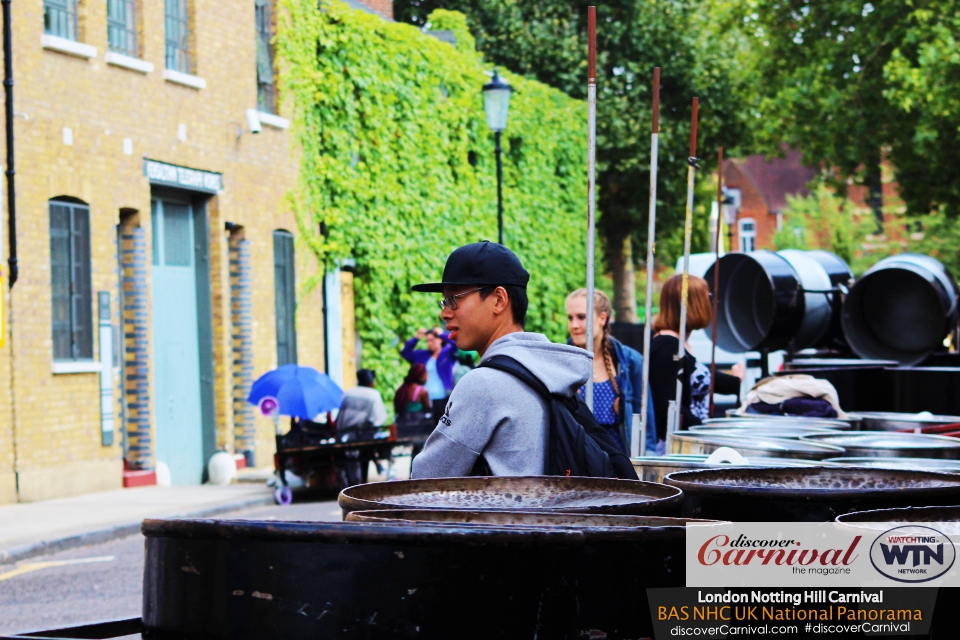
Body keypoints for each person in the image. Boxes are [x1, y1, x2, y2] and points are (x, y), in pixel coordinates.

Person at [409, 241, 594, 478]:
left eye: (454, 298)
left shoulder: (483, 384)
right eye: (444, 301)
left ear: (498, 300)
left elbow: (426, 480)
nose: (444, 312)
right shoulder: (549, 371)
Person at [649, 274, 744, 452]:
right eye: (707, 297)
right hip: (677, 448)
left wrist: (734, 381)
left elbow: (697, 377)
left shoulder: (679, 343)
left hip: (690, 443)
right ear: (692, 304)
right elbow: (667, 405)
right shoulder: (667, 346)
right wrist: (707, 431)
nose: (711, 303)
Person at [566, 288, 657, 455]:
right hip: (577, 465)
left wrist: (644, 467)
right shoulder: (560, 363)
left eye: (581, 317)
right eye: (570, 318)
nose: (574, 325)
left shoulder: (630, 362)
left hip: (620, 465)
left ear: (602, 318)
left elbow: (646, 425)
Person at [401, 326, 457, 416]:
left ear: (440, 340)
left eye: (432, 340)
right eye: (427, 340)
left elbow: (457, 344)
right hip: (424, 399)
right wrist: (416, 338)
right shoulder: (422, 355)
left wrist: (442, 334)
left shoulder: (447, 353)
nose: (429, 343)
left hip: (443, 397)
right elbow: (405, 353)